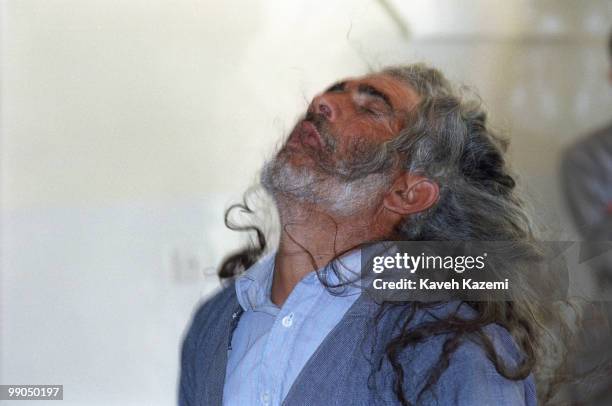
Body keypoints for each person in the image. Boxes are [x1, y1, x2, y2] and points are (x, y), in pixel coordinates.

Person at [178, 63, 549, 405]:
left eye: (371, 109)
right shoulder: (215, 320)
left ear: (408, 193)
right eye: (334, 91)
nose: (321, 102)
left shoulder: (457, 347)